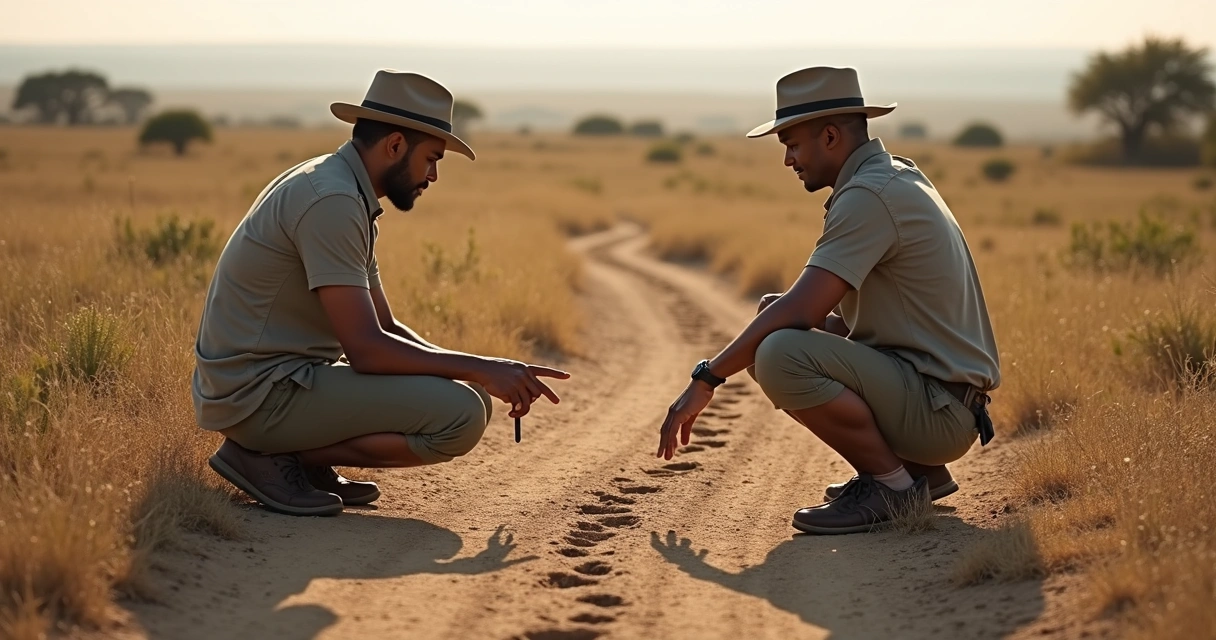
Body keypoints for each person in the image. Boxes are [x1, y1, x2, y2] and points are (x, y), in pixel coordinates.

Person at [193, 70, 569, 517]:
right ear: (394, 146)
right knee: (461, 417)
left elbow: (385, 326)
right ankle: (271, 457)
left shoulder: (344, 189)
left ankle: (297, 457)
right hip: (257, 395)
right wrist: (482, 368)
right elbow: (368, 350)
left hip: (280, 380)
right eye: (431, 159)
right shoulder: (332, 200)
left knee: (473, 400)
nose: (433, 175)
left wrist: (480, 372)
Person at [655, 66, 1000, 535]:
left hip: (938, 412)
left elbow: (803, 310)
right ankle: (917, 474)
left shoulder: (869, 195)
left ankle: (892, 488)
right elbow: (830, 316)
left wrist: (708, 376)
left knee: (779, 350)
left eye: (793, 146)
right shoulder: (892, 175)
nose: (788, 161)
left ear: (832, 136)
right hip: (940, 399)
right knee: (769, 320)